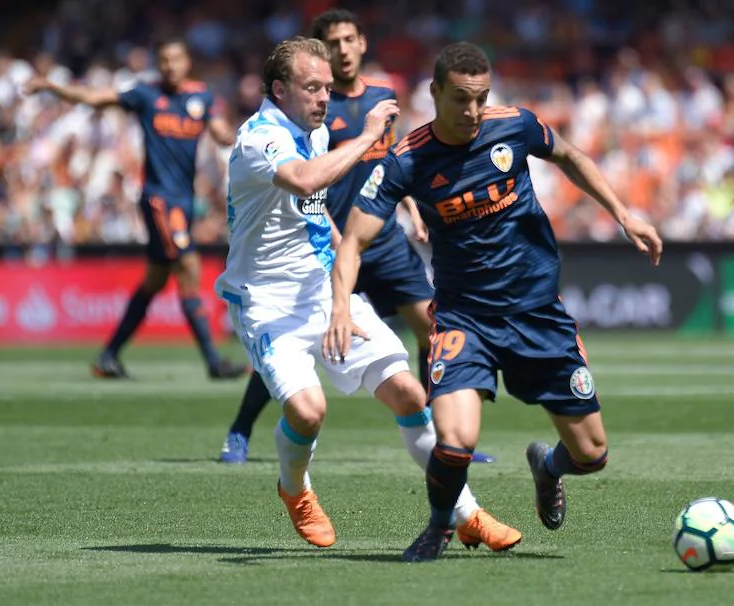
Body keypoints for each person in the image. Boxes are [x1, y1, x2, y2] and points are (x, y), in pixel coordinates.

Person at [324, 42, 663, 562]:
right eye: (460, 99)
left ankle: (548, 468)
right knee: (455, 442)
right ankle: (440, 525)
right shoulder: (407, 160)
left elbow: (571, 156)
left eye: (481, 98)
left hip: (538, 313)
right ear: (435, 93)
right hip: (466, 318)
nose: (473, 112)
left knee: (592, 455)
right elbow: (351, 239)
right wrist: (341, 305)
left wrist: (624, 214)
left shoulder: (516, 126)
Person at [216, 36, 519, 550]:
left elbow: (314, 216)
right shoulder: (260, 138)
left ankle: (466, 513)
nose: (322, 98)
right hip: (267, 302)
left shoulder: (305, 130)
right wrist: (367, 135)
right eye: (312, 88)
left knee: (408, 392)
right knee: (309, 411)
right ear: (278, 89)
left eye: (327, 89)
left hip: (320, 288)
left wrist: (340, 282)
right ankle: (295, 489)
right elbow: (305, 180)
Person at [24, 39, 248, 380]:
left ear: (187, 63)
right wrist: (54, 87)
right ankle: (214, 362)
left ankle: (108, 357)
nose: (169, 65)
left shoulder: (201, 97)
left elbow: (220, 133)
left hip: (185, 201)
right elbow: (95, 98)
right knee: (188, 264)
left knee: (154, 282)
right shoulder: (145, 95)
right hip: (159, 199)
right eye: (164, 60)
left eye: (175, 59)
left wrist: (238, 135)